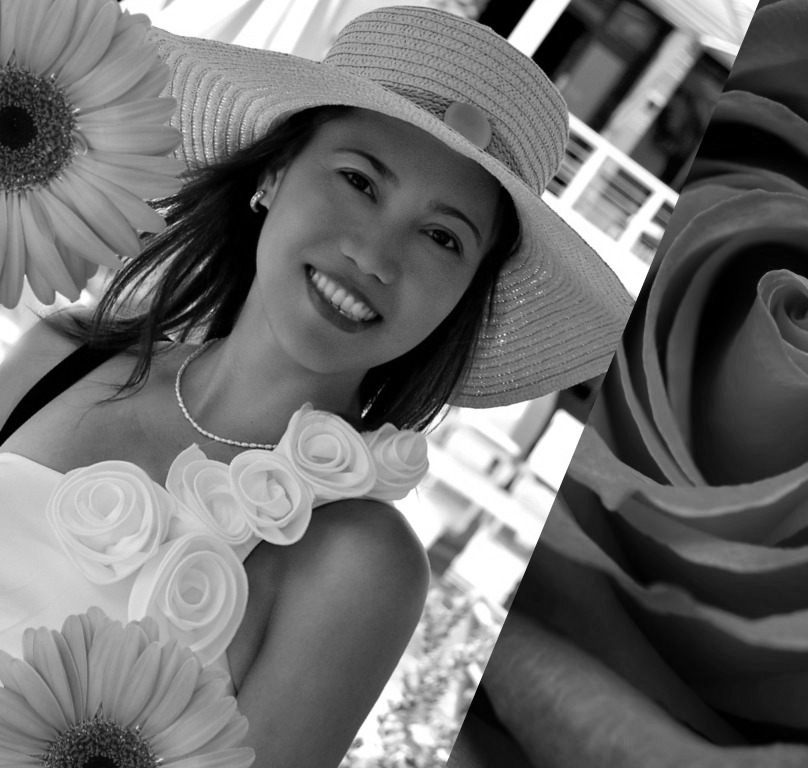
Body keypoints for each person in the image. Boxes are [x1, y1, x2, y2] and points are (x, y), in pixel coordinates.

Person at [0, 5, 632, 767]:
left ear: (467, 292)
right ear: (274, 173)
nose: (374, 256)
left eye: (442, 237)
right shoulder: (58, 357)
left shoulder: (360, 566)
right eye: (360, 181)